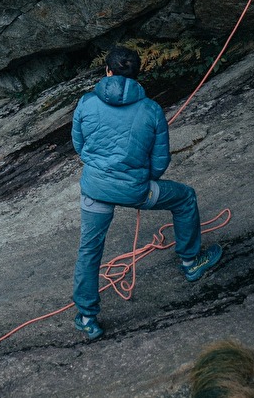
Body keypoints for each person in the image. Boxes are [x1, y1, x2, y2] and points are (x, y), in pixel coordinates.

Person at [70, 46, 223, 340]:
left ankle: (88, 318)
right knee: (184, 198)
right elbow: (160, 162)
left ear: (108, 72)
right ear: (137, 75)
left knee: (89, 251)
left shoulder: (86, 103)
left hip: (95, 191)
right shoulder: (151, 109)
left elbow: (79, 145)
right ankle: (191, 263)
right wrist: (141, 179)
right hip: (138, 191)